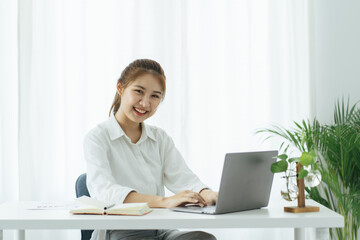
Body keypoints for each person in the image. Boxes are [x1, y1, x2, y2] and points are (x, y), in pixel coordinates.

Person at [84, 59, 218, 240]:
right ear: (120, 88)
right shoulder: (97, 138)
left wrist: (207, 194)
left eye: (155, 96)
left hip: (161, 230)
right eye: (138, 91)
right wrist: (165, 201)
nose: (145, 104)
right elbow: (106, 193)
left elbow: (183, 178)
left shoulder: (159, 138)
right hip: (119, 233)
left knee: (202, 238)